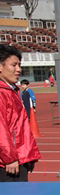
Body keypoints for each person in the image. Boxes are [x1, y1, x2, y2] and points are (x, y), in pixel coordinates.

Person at [0, 45, 41, 182]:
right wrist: (9, 158)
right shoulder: (2, 93)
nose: (19, 69)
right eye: (14, 65)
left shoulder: (12, 91)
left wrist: (29, 156)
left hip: (19, 157)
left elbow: (20, 127)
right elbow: (1, 129)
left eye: (19, 65)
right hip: (8, 163)